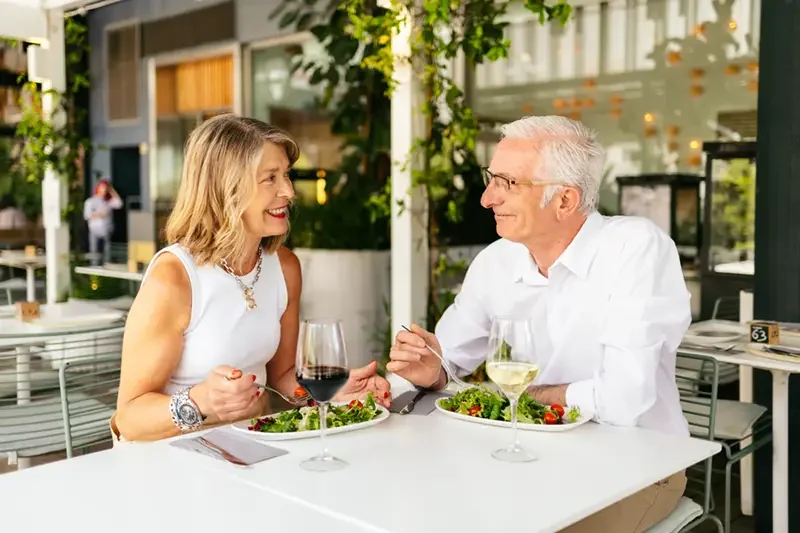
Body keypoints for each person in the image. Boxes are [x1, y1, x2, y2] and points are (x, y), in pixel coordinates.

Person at [388, 115, 691, 533]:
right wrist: (429, 372)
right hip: (523, 454)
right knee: (419, 505)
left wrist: (528, 396)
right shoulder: (497, 260)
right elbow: (447, 359)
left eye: (508, 183)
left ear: (564, 200)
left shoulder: (635, 249)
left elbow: (625, 400)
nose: (486, 198)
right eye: (491, 178)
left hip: (635, 469)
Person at [114, 115, 392, 441]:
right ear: (226, 187)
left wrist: (333, 392)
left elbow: (283, 376)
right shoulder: (175, 278)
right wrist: (199, 402)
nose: (289, 191)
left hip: (250, 451)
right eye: (270, 178)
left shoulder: (285, 267)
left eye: (286, 175)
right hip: (174, 461)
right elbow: (128, 419)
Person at [83, 178, 122, 265]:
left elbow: (119, 203)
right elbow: (87, 215)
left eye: (106, 188)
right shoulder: (91, 201)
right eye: (102, 188)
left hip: (106, 229)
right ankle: (94, 268)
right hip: (94, 229)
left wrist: (111, 190)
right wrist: (99, 214)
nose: (104, 190)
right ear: (98, 188)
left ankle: (106, 266)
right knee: (94, 251)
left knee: (107, 250)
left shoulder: (108, 201)